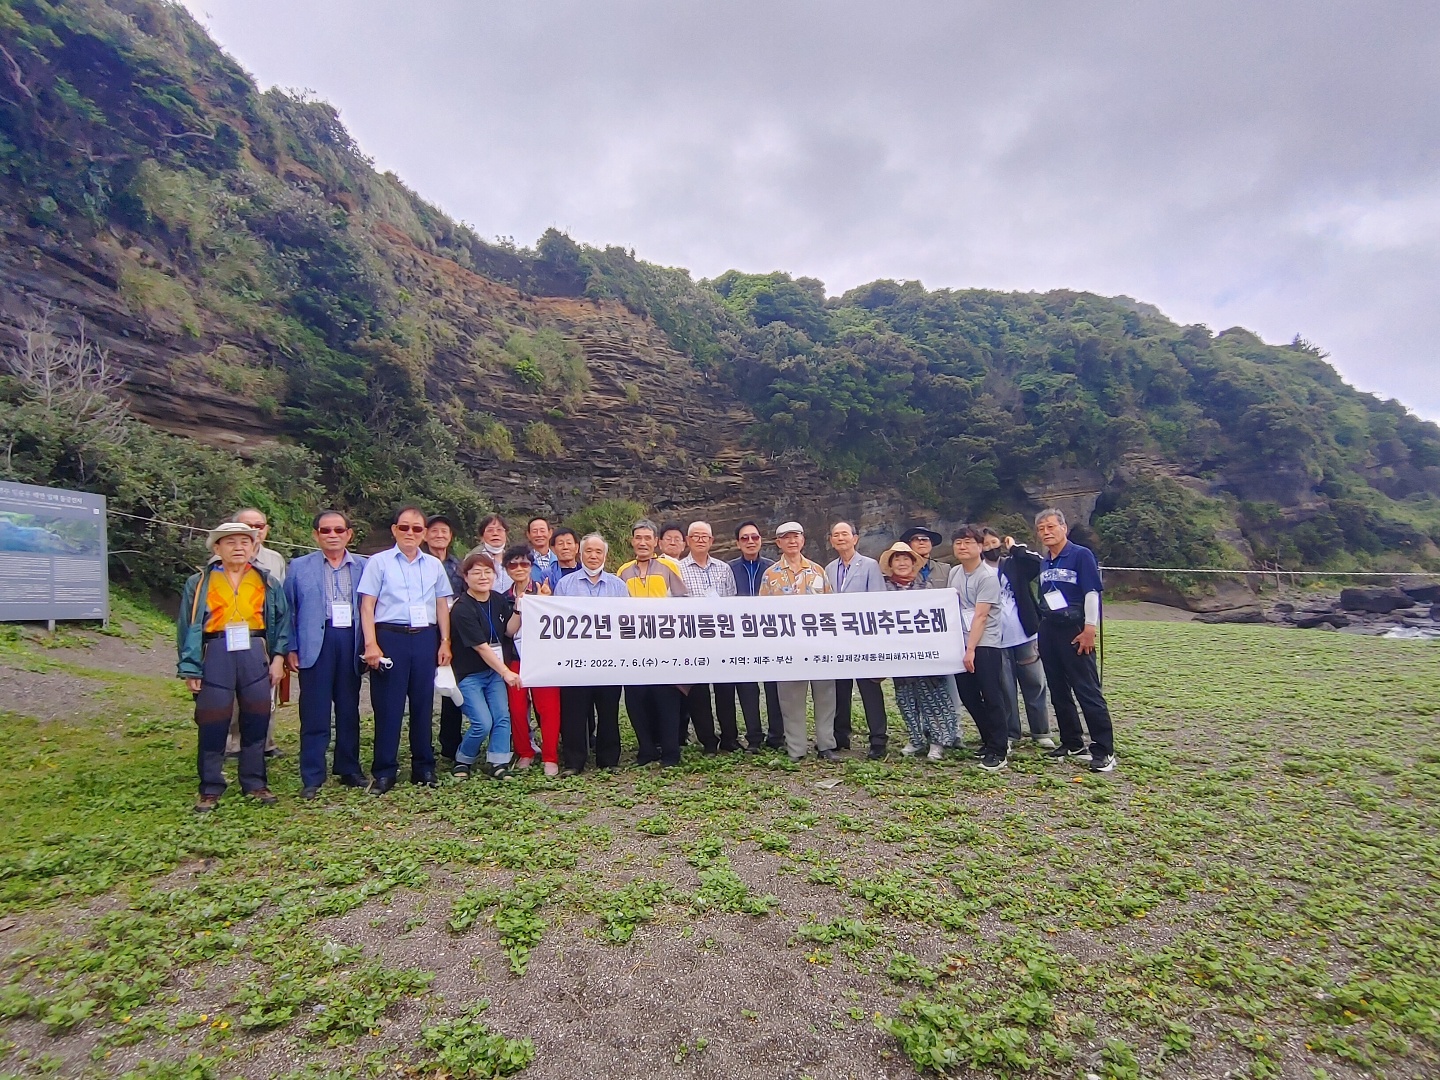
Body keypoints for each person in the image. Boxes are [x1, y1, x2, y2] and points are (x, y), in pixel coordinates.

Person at [178, 521, 291, 812]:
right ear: (217, 548)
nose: (239, 547)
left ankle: (255, 783)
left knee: (257, 717)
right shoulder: (199, 582)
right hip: (215, 650)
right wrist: (191, 667)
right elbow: (186, 626)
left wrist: (278, 659)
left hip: (255, 650)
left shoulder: (267, 581)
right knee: (213, 719)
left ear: (254, 547)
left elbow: (281, 623)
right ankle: (210, 786)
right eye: (230, 542)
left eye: (245, 541)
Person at [357, 505, 453, 793]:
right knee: (388, 707)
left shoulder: (434, 565)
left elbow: (441, 604)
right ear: (394, 530)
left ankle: (423, 767)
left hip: (425, 637)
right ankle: (384, 771)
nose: (410, 533)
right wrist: (371, 643)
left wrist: (445, 641)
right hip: (391, 636)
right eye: (404, 527)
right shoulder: (379, 562)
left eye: (416, 528)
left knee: (424, 705)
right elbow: (367, 605)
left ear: (424, 533)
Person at [283, 511, 369, 798]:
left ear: (349, 534)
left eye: (338, 530)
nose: (332, 535)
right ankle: (312, 774)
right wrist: (291, 647)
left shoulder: (364, 566)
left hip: (350, 640)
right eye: (325, 530)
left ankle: (348, 768)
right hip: (314, 641)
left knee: (348, 708)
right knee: (314, 711)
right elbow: (288, 611)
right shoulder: (298, 567)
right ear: (316, 535)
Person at [1033, 509, 1116, 772]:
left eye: (1051, 527)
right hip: (1050, 628)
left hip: (1075, 628)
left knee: (1087, 690)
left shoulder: (1080, 555)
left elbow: (1091, 592)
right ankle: (1071, 741)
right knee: (1058, 690)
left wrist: (1089, 628)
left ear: (1063, 528)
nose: (1046, 532)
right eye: (1041, 529)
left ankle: (1104, 750)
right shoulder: (1045, 561)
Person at [759, 521, 838, 762]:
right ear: (778, 543)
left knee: (825, 695)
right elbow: (762, 612)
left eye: (796, 537)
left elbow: (831, 606)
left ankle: (826, 745)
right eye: (786, 537)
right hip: (787, 647)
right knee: (791, 700)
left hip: (818, 645)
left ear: (803, 540)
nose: (792, 541)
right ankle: (796, 749)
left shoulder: (817, 571)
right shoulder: (770, 575)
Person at [554, 533, 630, 774]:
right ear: (580, 553)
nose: (594, 556)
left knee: (608, 710)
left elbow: (626, 619)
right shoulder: (566, 584)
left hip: (609, 658)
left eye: (598, 552)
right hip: (575, 658)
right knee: (574, 711)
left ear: (605, 556)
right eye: (589, 551)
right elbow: (557, 621)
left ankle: (608, 759)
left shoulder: (618, 585)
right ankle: (574, 762)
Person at [617, 519, 689, 766]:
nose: (643, 542)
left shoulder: (669, 567)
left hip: (664, 647)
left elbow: (683, 603)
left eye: (648, 538)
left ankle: (670, 752)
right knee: (636, 698)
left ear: (656, 542)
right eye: (639, 538)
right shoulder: (623, 571)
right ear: (632, 541)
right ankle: (646, 749)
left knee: (666, 698)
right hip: (633, 647)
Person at [880, 542, 958, 760]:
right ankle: (915, 738)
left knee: (933, 696)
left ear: (914, 563)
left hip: (927, 652)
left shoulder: (928, 587)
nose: (902, 563)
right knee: (906, 698)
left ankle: (938, 741)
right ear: (891, 564)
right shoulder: (883, 590)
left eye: (906, 559)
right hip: (899, 653)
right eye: (897, 559)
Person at [981, 527, 1056, 751]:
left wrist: (1015, 548)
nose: (990, 548)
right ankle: (1011, 732)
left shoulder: (1013, 563)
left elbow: (1037, 564)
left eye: (994, 542)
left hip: (1024, 634)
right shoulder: (979, 572)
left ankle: (1041, 731)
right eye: (985, 544)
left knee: (1035, 683)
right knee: (1005, 689)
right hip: (995, 638)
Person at [221, 508, 289, 751]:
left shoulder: (275, 560)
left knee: (266, 692)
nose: (254, 531)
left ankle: (265, 742)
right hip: (229, 636)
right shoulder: (218, 561)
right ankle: (232, 742)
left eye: (259, 526)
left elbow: (282, 606)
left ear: (266, 530)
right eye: (248, 526)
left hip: (264, 636)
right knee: (231, 693)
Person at [448, 553, 520, 781]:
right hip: (470, 673)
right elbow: (481, 647)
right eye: (476, 572)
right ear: (465, 577)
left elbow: (508, 631)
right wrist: (506, 671)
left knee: (502, 717)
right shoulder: (461, 608)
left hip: (494, 672)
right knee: (482, 722)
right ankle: (463, 759)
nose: (483, 577)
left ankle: (498, 763)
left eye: (487, 572)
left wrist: (518, 609)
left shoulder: (498, 599)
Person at [949, 525, 1011, 771]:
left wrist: (971, 649)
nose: (962, 547)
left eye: (967, 542)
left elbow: (981, 616)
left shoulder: (987, 576)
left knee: (991, 695)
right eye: (958, 543)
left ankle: (1000, 749)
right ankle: (989, 739)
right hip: (961, 642)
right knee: (969, 695)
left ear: (980, 546)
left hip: (985, 644)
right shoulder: (955, 572)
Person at [825, 520, 888, 759]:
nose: (841, 538)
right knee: (840, 689)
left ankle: (878, 739)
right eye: (836, 535)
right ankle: (841, 736)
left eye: (845, 534)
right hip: (838, 639)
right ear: (831, 541)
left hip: (864, 638)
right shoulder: (829, 568)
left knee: (869, 689)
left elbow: (878, 602)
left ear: (855, 538)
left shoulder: (870, 565)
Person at [678, 520, 741, 753]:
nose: (701, 540)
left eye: (705, 536)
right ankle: (708, 741)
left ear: (712, 541)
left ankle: (730, 738)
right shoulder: (678, 569)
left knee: (725, 691)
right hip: (693, 641)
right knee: (699, 694)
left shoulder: (724, 569)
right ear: (687, 540)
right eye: (695, 536)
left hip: (721, 641)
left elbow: (731, 602)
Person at [499, 545, 561, 774]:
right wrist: (519, 608)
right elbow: (507, 632)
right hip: (516, 658)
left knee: (548, 708)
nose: (519, 568)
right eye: (513, 564)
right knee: (516, 708)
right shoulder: (503, 598)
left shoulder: (545, 591)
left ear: (531, 566)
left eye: (524, 564)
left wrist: (545, 601)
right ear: (506, 569)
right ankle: (525, 751)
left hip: (544, 659)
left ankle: (550, 756)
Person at [728, 521, 784, 752]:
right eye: (745, 538)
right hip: (742, 640)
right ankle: (753, 737)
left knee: (774, 688)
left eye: (755, 537)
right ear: (737, 543)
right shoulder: (729, 569)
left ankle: (776, 736)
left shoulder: (774, 568)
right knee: (748, 689)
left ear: (761, 540)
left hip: (770, 638)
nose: (750, 542)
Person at [424, 515, 465, 596]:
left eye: (444, 531)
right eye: (434, 531)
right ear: (424, 536)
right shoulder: (420, 564)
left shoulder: (458, 565)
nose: (440, 535)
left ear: (450, 536)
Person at [899, 526, 948, 590]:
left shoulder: (946, 569)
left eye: (925, 539)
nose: (921, 542)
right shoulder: (902, 570)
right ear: (909, 544)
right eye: (916, 539)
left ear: (931, 543)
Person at [526, 516, 560, 590]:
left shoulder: (559, 561)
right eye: (534, 531)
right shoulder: (524, 562)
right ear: (528, 535)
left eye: (542, 530)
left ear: (550, 533)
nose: (539, 534)